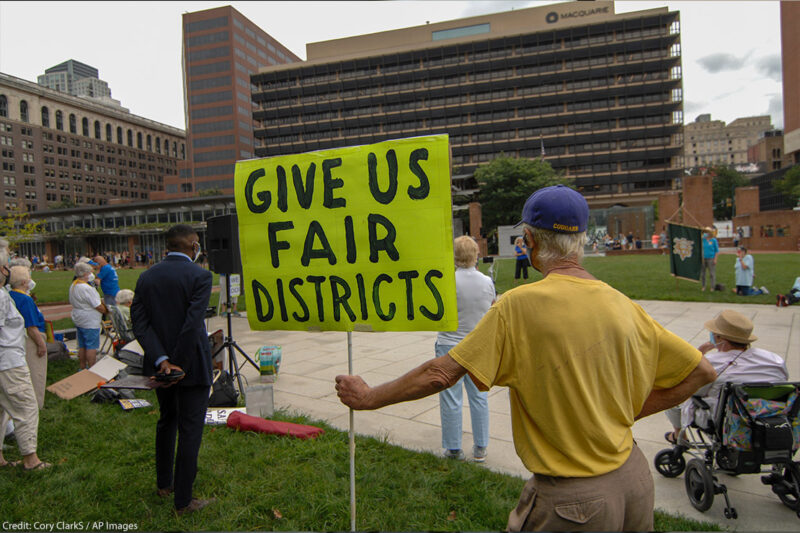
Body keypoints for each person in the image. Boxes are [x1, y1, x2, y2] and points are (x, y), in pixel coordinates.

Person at [335, 185, 716, 532]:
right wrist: (627, 412)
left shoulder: (518, 306)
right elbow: (701, 370)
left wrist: (369, 398)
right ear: (581, 241)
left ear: (529, 240)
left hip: (574, 502)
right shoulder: (623, 304)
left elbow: (440, 374)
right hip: (634, 481)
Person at [131, 224, 215, 515]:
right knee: (190, 430)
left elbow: (140, 324)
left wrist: (161, 360)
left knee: (167, 421)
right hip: (191, 367)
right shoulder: (201, 276)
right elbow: (193, 324)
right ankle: (183, 500)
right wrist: (177, 362)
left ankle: (164, 483)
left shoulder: (145, 277)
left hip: (159, 366)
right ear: (193, 245)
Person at [664, 310, 788, 444]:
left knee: (672, 396)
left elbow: (691, 389)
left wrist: (699, 355)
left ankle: (679, 436)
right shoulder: (775, 361)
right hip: (768, 415)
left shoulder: (712, 363)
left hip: (726, 419)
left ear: (719, 338)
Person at [437, 236, 495, 462]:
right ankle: (481, 446)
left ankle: (453, 448)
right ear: (475, 254)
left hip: (449, 343)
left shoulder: (447, 281)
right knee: (479, 396)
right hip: (477, 344)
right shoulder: (486, 282)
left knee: (451, 397)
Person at [0, 238, 50, 470]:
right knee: (26, 407)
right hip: (8, 362)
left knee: (2, 410)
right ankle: (31, 459)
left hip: (7, 360)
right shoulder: (1, 296)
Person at [8, 266, 47, 409]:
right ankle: (36, 404)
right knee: (36, 372)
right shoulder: (25, 299)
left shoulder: (10, 295)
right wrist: (41, 344)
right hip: (30, 339)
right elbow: (31, 326)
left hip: (17, 338)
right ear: (24, 282)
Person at [70, 262, 107, 370]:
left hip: (79, 318)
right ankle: (92, 368)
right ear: (86, 273)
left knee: (82, 345)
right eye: (90, 272)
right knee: (91, 346)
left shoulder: (74, 285)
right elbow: (97, 305)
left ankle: (82, 367)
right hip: (89, 320)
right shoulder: (86, 288)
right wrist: (106, 310)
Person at [700, 226, 719, 291]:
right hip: (703, 258)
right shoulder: (703, 239)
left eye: (707, 232)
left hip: (711, 258)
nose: (706, 233)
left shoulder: (714, 240)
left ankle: (712, 287)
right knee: (703, 274)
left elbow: (716, 251)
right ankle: (703, 286)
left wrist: (715, 259)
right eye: (705, 232)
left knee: (712, 274)